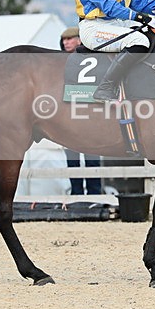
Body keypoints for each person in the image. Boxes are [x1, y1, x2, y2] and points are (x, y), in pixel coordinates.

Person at [60, 27, 102, 195]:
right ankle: (76, 194)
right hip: (69, 116)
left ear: (79, 40)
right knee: (72, 159)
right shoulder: (60, 61)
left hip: (89, 114)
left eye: (69, 39)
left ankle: (94, 194)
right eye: (64, 40)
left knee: (92, 157)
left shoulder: (91, 58)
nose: (66, 42)